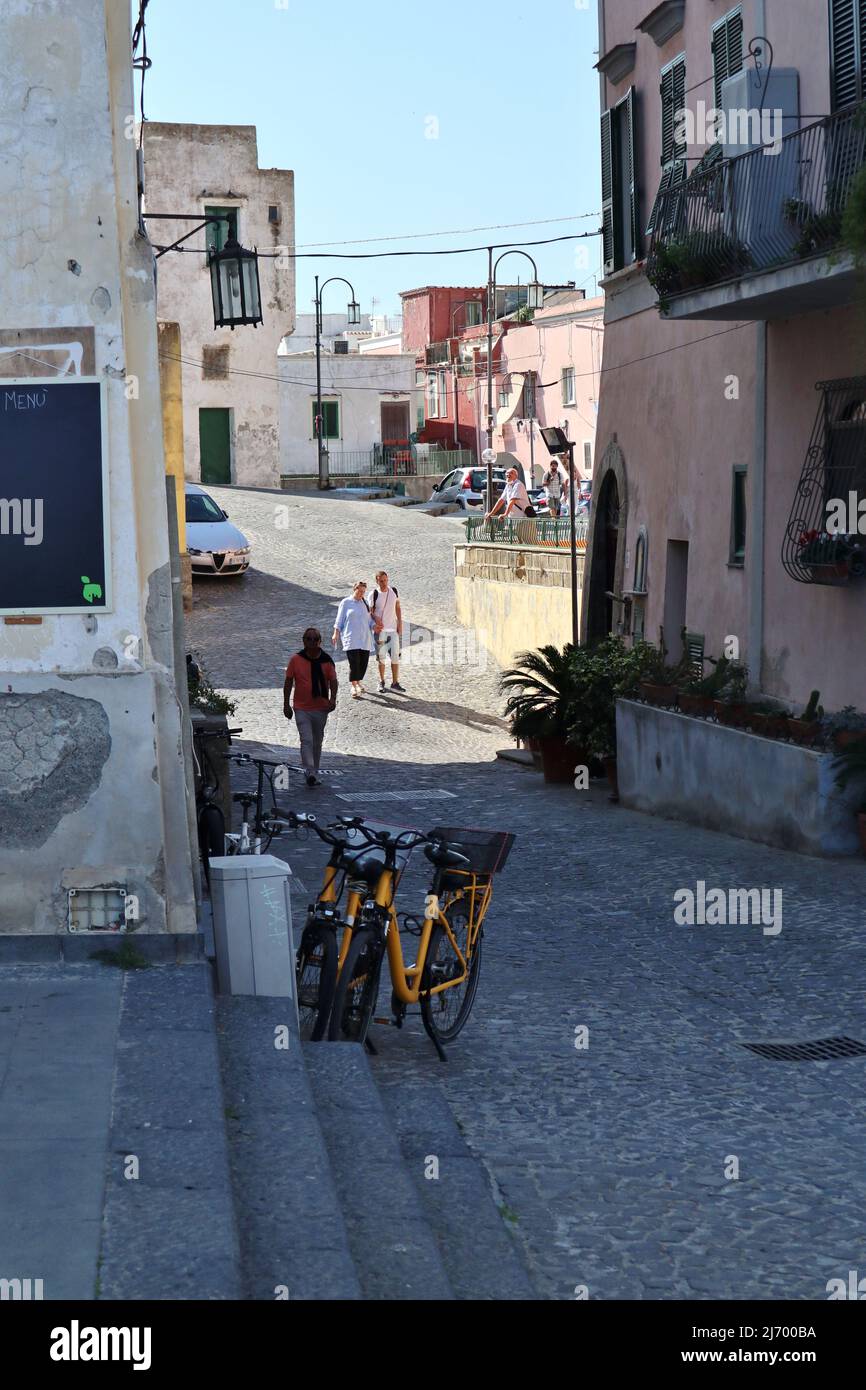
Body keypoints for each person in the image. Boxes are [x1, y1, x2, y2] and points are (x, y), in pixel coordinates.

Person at [283, 627, 338, 787]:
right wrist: (286, 704)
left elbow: (333, 681)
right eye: (309, 639)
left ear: (320, 641)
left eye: (315, 639)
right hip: (301, 707)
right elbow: (288, 681)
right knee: (306, 740)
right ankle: (310, 772)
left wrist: (333, 699)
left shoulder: (326, 661)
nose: (312, 642)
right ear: (304, 641)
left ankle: (314, 770)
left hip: (321, 708)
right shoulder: (296, 659)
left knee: (317, 741)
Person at [332, 580, 375, 699]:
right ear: (354, 589)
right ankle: (354, 686)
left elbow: (369, 621)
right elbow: (339, 620)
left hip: (364, 638)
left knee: (363, 663)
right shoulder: (346, 603)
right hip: (351, 638)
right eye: (359, 591)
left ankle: (358, 681)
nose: (361, 593)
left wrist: (375, 626)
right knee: (354, 663)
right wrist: (336, 633)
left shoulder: (365, 603)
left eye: (363, 591)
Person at [370, 570, 405, 694]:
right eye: (381, 581)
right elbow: (370, 611)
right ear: (377, 581)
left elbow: (398, 607)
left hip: (393, 630)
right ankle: (381, 681)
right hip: (381, 631)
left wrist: (400, 623)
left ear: (387, 579)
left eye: (385, 580)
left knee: (395, 657)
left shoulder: (393, 591)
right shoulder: (374, 594)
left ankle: (395, 682)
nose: (384, 583)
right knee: (381, 658)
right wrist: (375, 618)